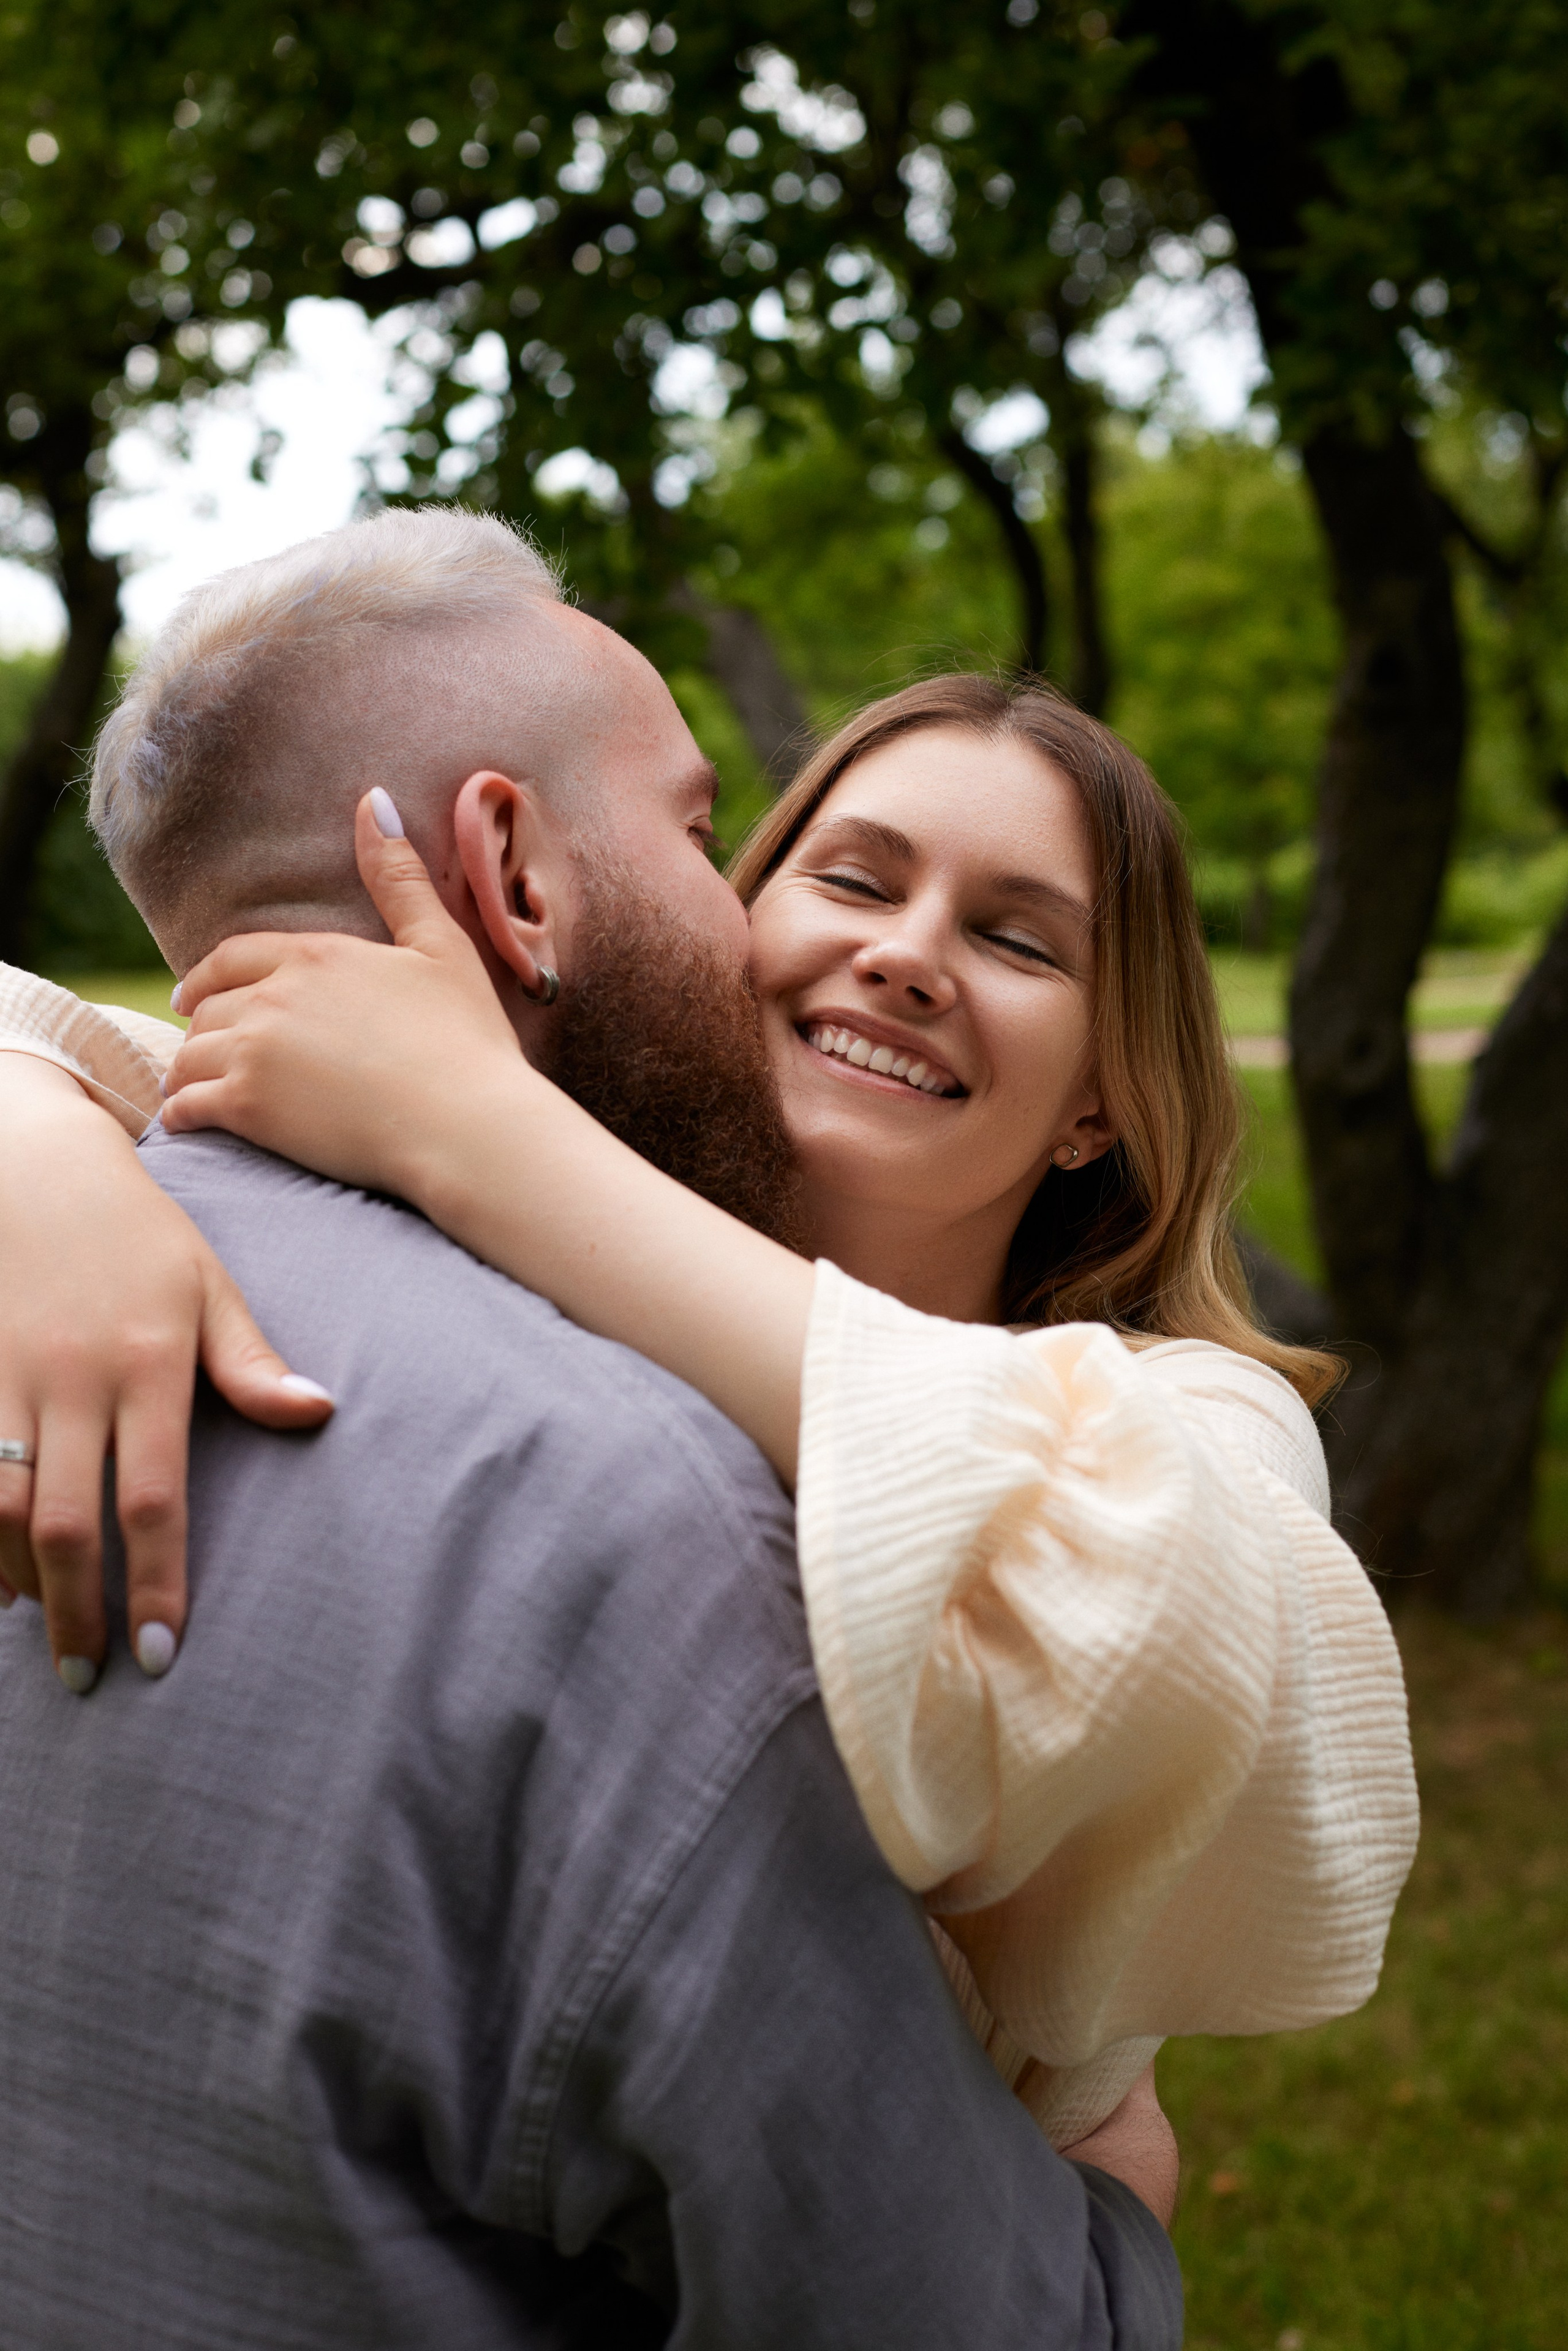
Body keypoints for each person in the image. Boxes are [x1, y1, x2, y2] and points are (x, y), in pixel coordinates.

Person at [0, 510, 1416, 2153]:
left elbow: (1156, 1617)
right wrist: (39, 1147)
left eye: (1017, 938)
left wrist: (484, 1133)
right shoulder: (539, 1184)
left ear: (1103, 1102)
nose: (904, 957)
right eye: (853, 879)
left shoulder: (1196, 1414)